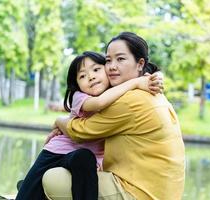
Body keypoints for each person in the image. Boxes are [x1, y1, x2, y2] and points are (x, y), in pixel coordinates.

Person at [43, 32, 185, 200]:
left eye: (120, 59)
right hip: (161, 190)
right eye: (108, 60)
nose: (111, 66)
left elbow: (81, 132)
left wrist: (59, 122)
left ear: (140, 64)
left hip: (139, 192)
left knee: (53, 179)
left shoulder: (129, 100)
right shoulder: (147, 89)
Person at [15, 51, 163, 200]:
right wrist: (136, 83)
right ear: (77, 85)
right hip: (56, 153)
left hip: (83, 159)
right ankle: (26, 188)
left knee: (84, 157)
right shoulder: (80, 97)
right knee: (27, 195)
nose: (91, 77)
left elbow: (150, 73)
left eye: (96, 70)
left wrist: (156, 79)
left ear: (106, 70)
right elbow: (98, 103)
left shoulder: (118, 94)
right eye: (82, 76)